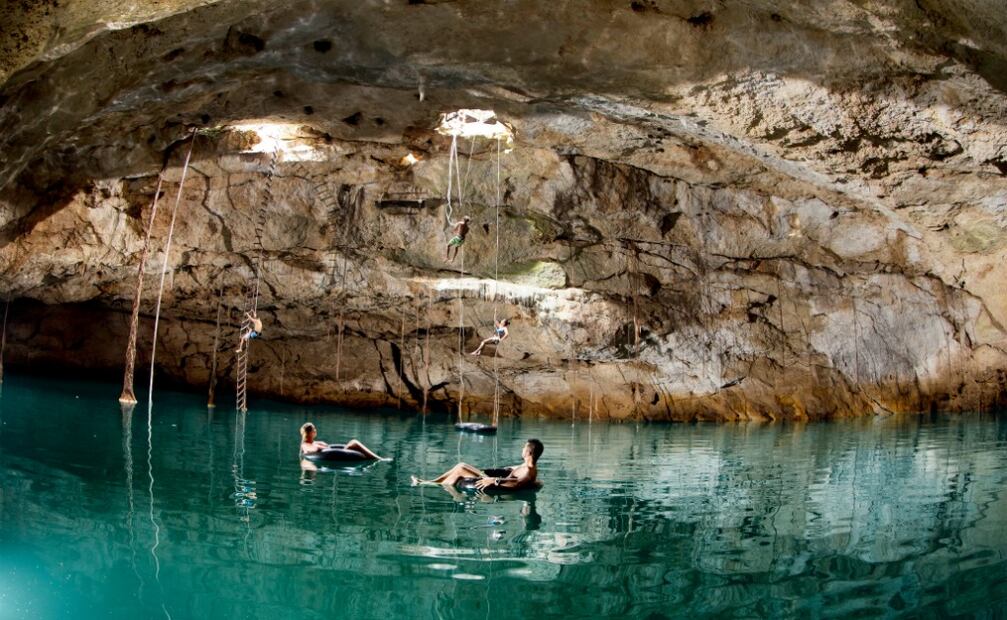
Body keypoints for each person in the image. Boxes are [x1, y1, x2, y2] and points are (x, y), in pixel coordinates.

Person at [411, 438, 543, 490]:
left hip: (493, 483)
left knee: (461, 467)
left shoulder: (528, 471)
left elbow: (517, 483)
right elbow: (515, 473)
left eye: (524, 448)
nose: (522, 449)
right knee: (460, 466)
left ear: (529, 452)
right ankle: (432, 483)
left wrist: (494, 480)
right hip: (492, 478)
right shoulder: (527, 467)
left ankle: (428, 483)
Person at [298, 422, 385, 460]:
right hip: (328, 455)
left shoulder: (313, 442)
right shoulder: (305, 444)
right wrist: (319, 448)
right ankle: (378, 459)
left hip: (334, 453)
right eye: (314, 429)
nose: (315, 431)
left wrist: (321, 446)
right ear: (310, 433)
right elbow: (311, 450)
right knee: (354, 442)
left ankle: (375, 458)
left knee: (354, 444)